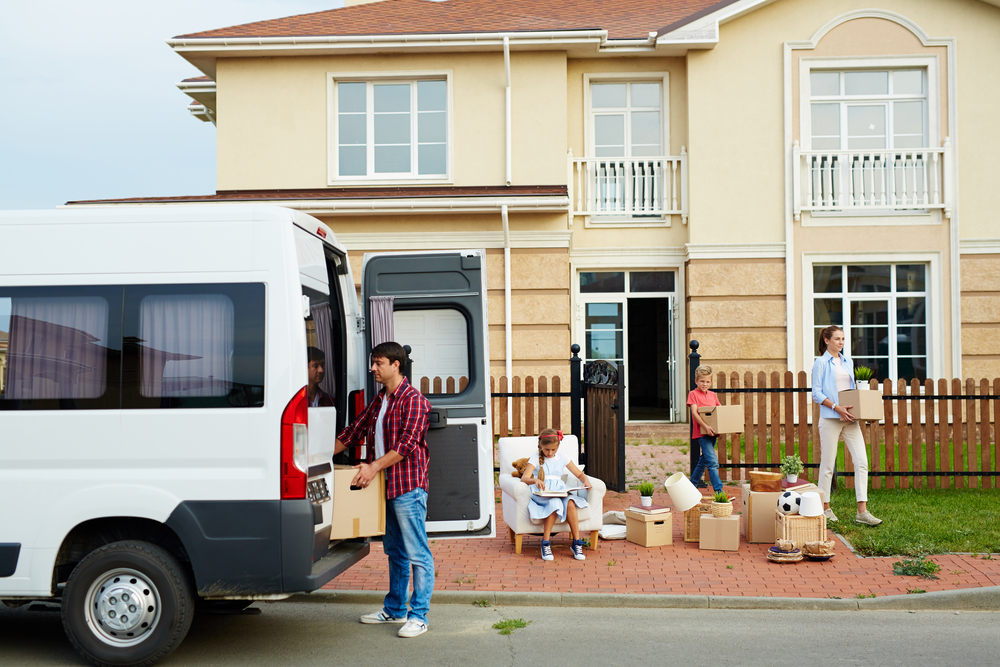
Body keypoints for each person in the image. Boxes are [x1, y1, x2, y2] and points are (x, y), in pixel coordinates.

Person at [334, 341, 434, 638]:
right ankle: (394, 610)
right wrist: (317, 458)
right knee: (396, 551)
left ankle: (419, 616)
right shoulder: (381, 399)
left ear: (396, 364)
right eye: (373, 362)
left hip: (408, 487)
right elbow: (355, 431)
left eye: (378, 363)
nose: (373, 368)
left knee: (417, 552)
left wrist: (372, 466)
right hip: (386, 488)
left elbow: (405, 446)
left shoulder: (414, 400)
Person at [811, 325, 882, 526]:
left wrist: (864, 412)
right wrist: (837, 407)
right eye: (837, 339)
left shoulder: (847, 361)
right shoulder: (821, 363)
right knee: (827, 465)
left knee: (861, 461)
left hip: (850, 419)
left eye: (843, 339)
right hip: (830, 418)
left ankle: (862, 511)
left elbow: (853, 390)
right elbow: (816, 393)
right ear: (827, 340)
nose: (841, 342)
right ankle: (824, 508)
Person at [519, 428, 591, 561]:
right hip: (543, 493)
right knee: (554, 503)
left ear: (558, 447)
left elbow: (579, 474)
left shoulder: (562, 457)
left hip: (560, 490)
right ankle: (545, 543)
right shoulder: (535, 458)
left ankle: (576, 542)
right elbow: (524, 478)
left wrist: (585, 480)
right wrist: (535, 480)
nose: (550, 453)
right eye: (547, 450)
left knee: (570, 503)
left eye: (553, 450)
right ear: (541, 445)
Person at [687, 365, 723, 494]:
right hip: (702, 433)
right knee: (712, 462)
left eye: (708, 381)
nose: (705, 384)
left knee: (704, 460)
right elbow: (695, 413)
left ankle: (691, 485)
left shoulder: (713, 395)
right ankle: (719, 490)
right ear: (696, 381)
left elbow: (720, 411)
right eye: (702, 381)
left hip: (713, 433)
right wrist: (705, 427)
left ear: (711, 382)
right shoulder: (693, 394)